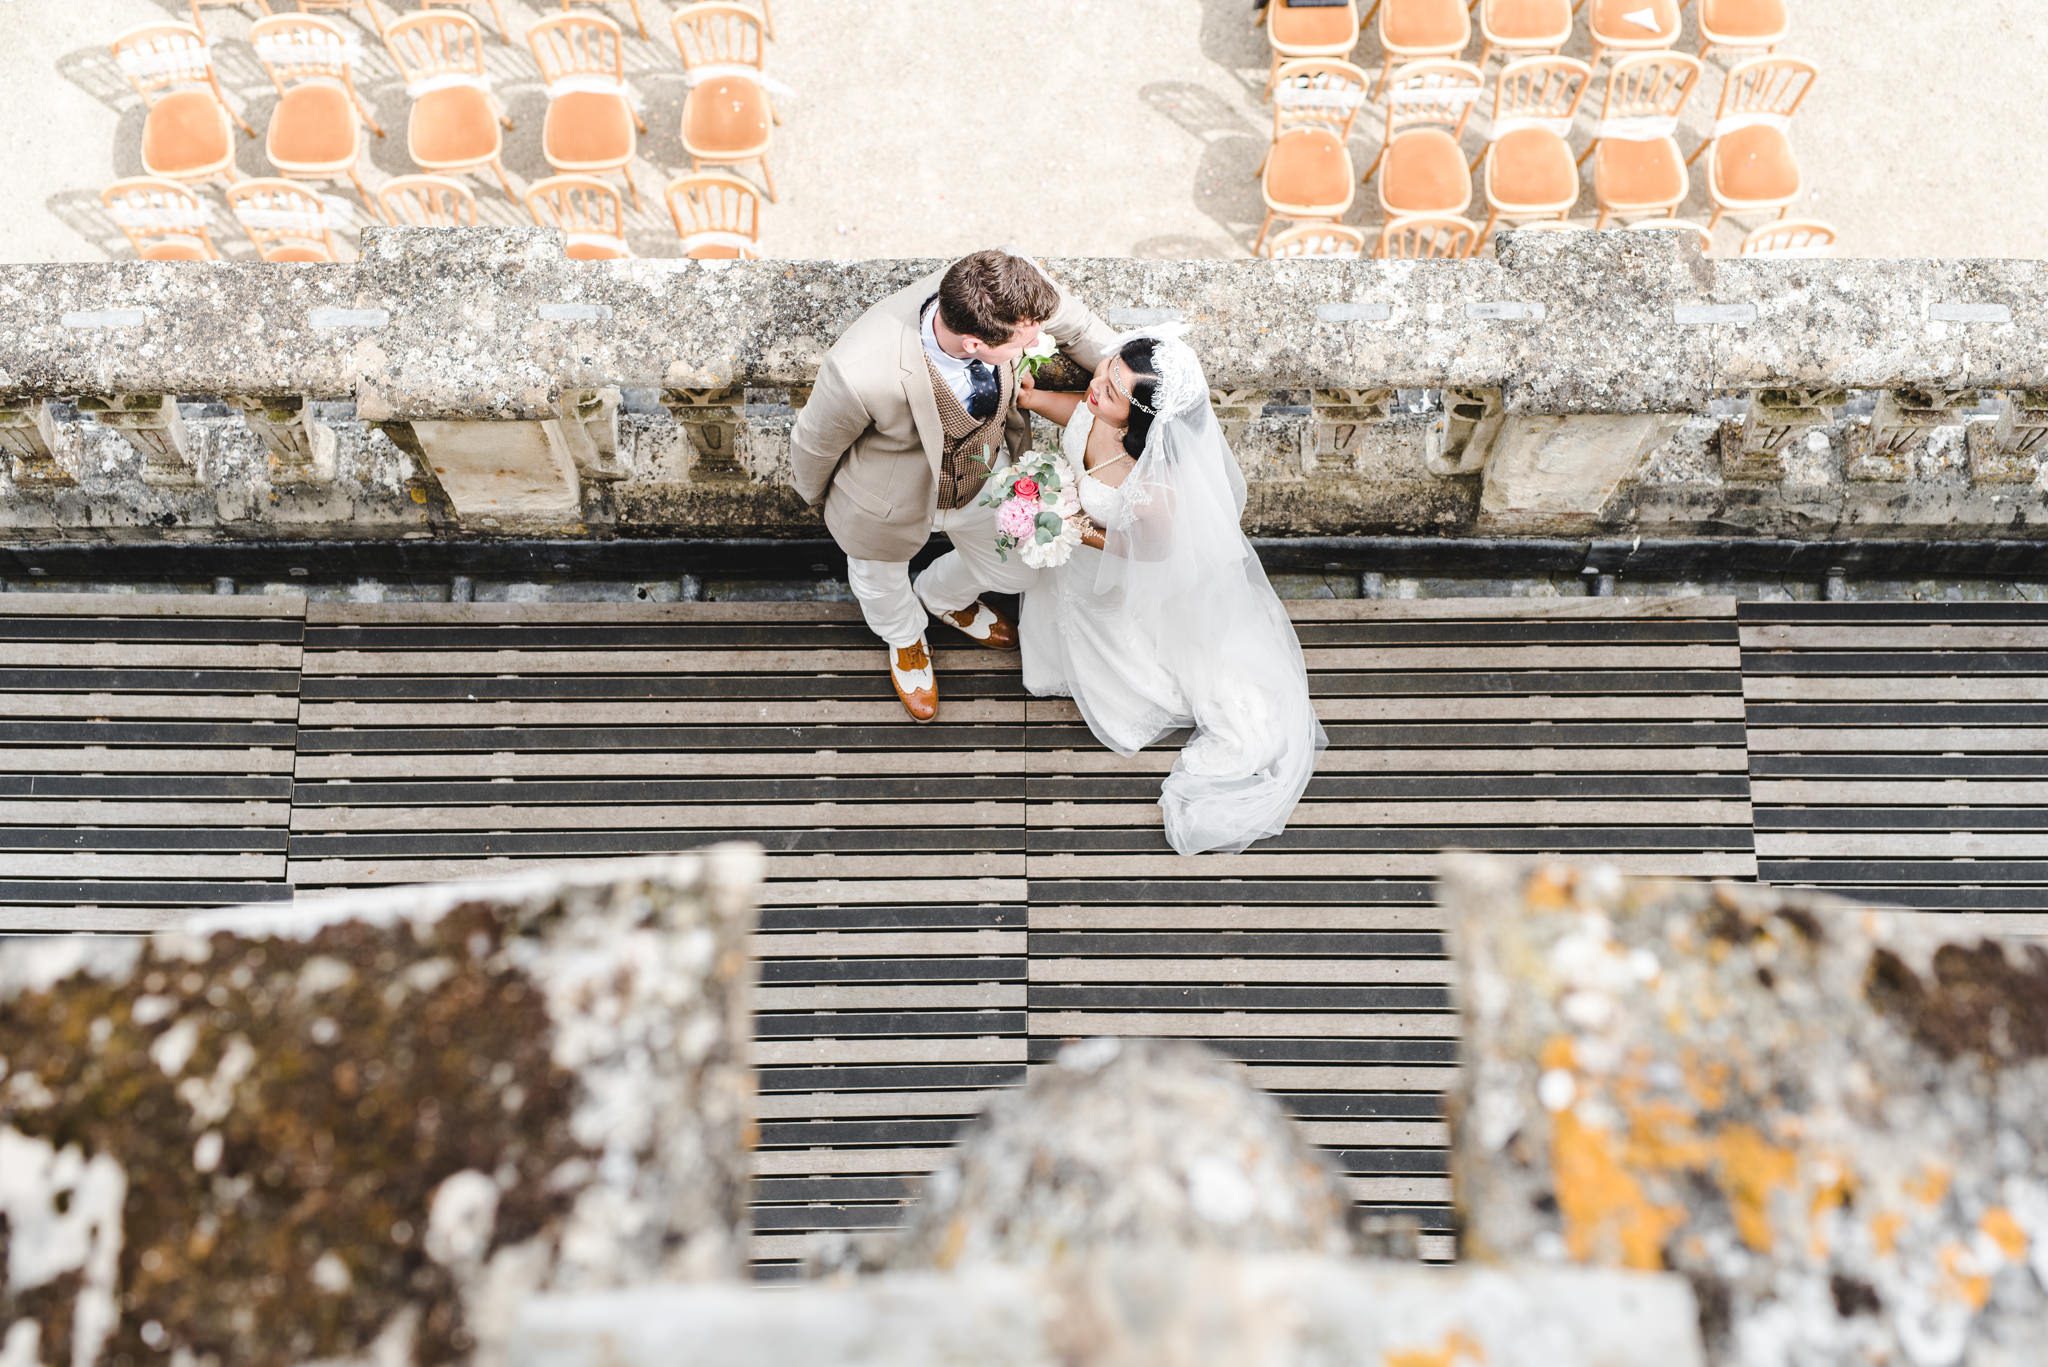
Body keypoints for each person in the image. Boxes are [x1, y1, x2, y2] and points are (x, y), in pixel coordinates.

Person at [1014, 332, 1327, 856]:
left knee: (1120, 650)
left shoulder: (1157, 485)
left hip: (1111, 578)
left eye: (1110, 389)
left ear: (1139, 421)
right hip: (1073, 566)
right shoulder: (1102, 408)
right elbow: (1082, 418)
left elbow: (1146, 552)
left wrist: (1066, 527)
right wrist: (1031, 399)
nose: (1094, 386)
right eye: (1103, 371)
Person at [788, 249, 1118, 722]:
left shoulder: (1004, 284)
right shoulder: (859, 371)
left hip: (984, 476)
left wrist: (1141, 377)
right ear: (973, 346)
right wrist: (835, 506)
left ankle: (942, 598)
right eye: (1026, 342)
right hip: (885, 499)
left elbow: (1079, 328)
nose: (1044, 341)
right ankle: (905, 640)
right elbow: (813, 447)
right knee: (879, 586)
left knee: (1018, 571)